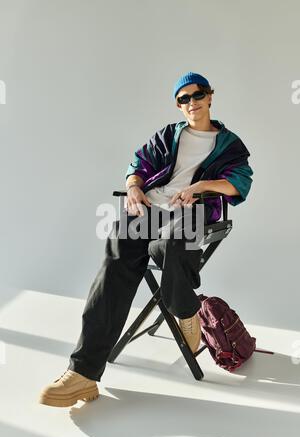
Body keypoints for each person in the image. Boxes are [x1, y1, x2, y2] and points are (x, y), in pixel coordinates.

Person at [39, 72, 253, 407]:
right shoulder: (169, 135)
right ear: (178, 105)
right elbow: (137, 164)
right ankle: (83, 373)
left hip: (193, 211)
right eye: (183, 98)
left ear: (210, 96)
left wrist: (198, 188)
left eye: (197, 95)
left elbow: (239, 182)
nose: (191, 103)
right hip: (151, 208)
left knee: (169, 244)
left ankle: (185, 310)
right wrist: (134, 188)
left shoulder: (229, 143)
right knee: (117, 257)